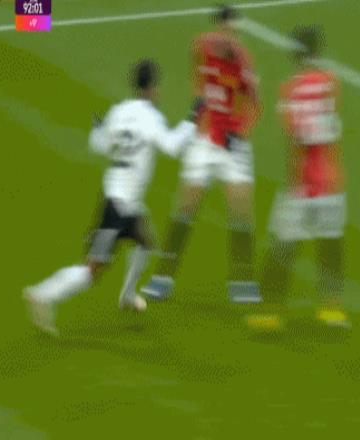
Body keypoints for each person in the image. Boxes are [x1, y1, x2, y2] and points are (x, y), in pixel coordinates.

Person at [24, 60, 197, 335]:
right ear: (152, 87)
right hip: (117, 209)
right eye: (157, 86)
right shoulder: (151, 118)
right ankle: (42, 295)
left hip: (122, 201)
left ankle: (127, 296)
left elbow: (99, 145)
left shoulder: (119, 111)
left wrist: (98, 128)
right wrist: (192, 118)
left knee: (145, 244)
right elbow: (173, 146)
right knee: (91, 272)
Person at [142, 5, 262, 303]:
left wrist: (240, 131)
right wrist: (201, 111)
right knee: (185, 208)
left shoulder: (243, 60)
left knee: (241, 212)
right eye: (227, 30)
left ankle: (242, 281)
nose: (231, 36)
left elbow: (255, 104)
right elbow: (197, 79)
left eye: (234, 32)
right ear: (218, 27)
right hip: (205, 140)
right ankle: (162, 277)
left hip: (233, 144)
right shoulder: (201, 46)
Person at [263, 25, 349, 327]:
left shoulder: (290, 89)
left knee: (284, 246)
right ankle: (331, 309)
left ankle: (272, 312)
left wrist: (292, 183)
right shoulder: (332, 82)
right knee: (330, 245)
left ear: (295, 52)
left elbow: (295, 138)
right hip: (331, 180)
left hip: (302, 181)